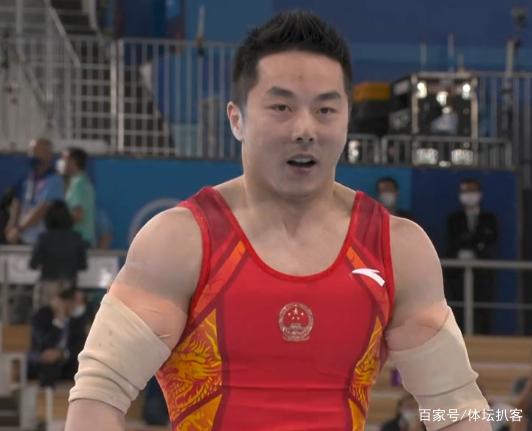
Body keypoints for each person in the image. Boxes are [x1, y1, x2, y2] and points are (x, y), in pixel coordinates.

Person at [65, 11, 489, 431]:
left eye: (325, 110)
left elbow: (459, 412)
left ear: (347, 118)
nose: (304, 129)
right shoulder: (179, 243)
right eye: (282, 107)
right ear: (237, 119)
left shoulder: (397, 250)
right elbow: (96, 401)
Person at [446, 178, 498, 333]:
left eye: (472, 191)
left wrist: (475, 246)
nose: (469, 195)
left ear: (480, 194)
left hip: (483, 272)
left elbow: (491, 238)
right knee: (459, 308)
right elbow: (454, 240)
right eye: (465, 191)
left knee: (482, 308)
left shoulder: (489, 218)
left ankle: (484, 338)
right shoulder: (454, 219)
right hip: (458, 275)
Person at [4, 138, 65, 245]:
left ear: (48, 155)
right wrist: (11, 225)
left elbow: (43, 208)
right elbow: (18, 201)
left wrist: (19, 229)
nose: (32, 155)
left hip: (43, 240)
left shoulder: (54, 179)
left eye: (36, 151)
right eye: (30, 151)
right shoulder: (27, 177)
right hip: (22, 238)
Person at [30, 200, 88, 307]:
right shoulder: (76, 238)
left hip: (48, 282)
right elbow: (83, 265)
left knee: (45, 313)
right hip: (69, 283)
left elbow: (33, 264)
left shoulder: (44, 238)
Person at [28, 287, 88, 387]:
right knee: (48, 364)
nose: (78, 305)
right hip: (41, 360)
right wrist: (59, 320)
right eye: (76, 301)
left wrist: (61, 354)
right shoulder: (42, 314)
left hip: (65, 362)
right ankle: (47, 394)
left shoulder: (77, 321)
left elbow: (80, 346)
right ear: (65, 301)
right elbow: (44, 342)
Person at [59, 147, 96, 247]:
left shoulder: (78, 183)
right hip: (79, 239)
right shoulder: (82, 181)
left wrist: (56, 223)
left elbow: (78, 214)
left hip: (77, 240)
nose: (61, 162)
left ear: (73, 161)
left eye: (64, 159)